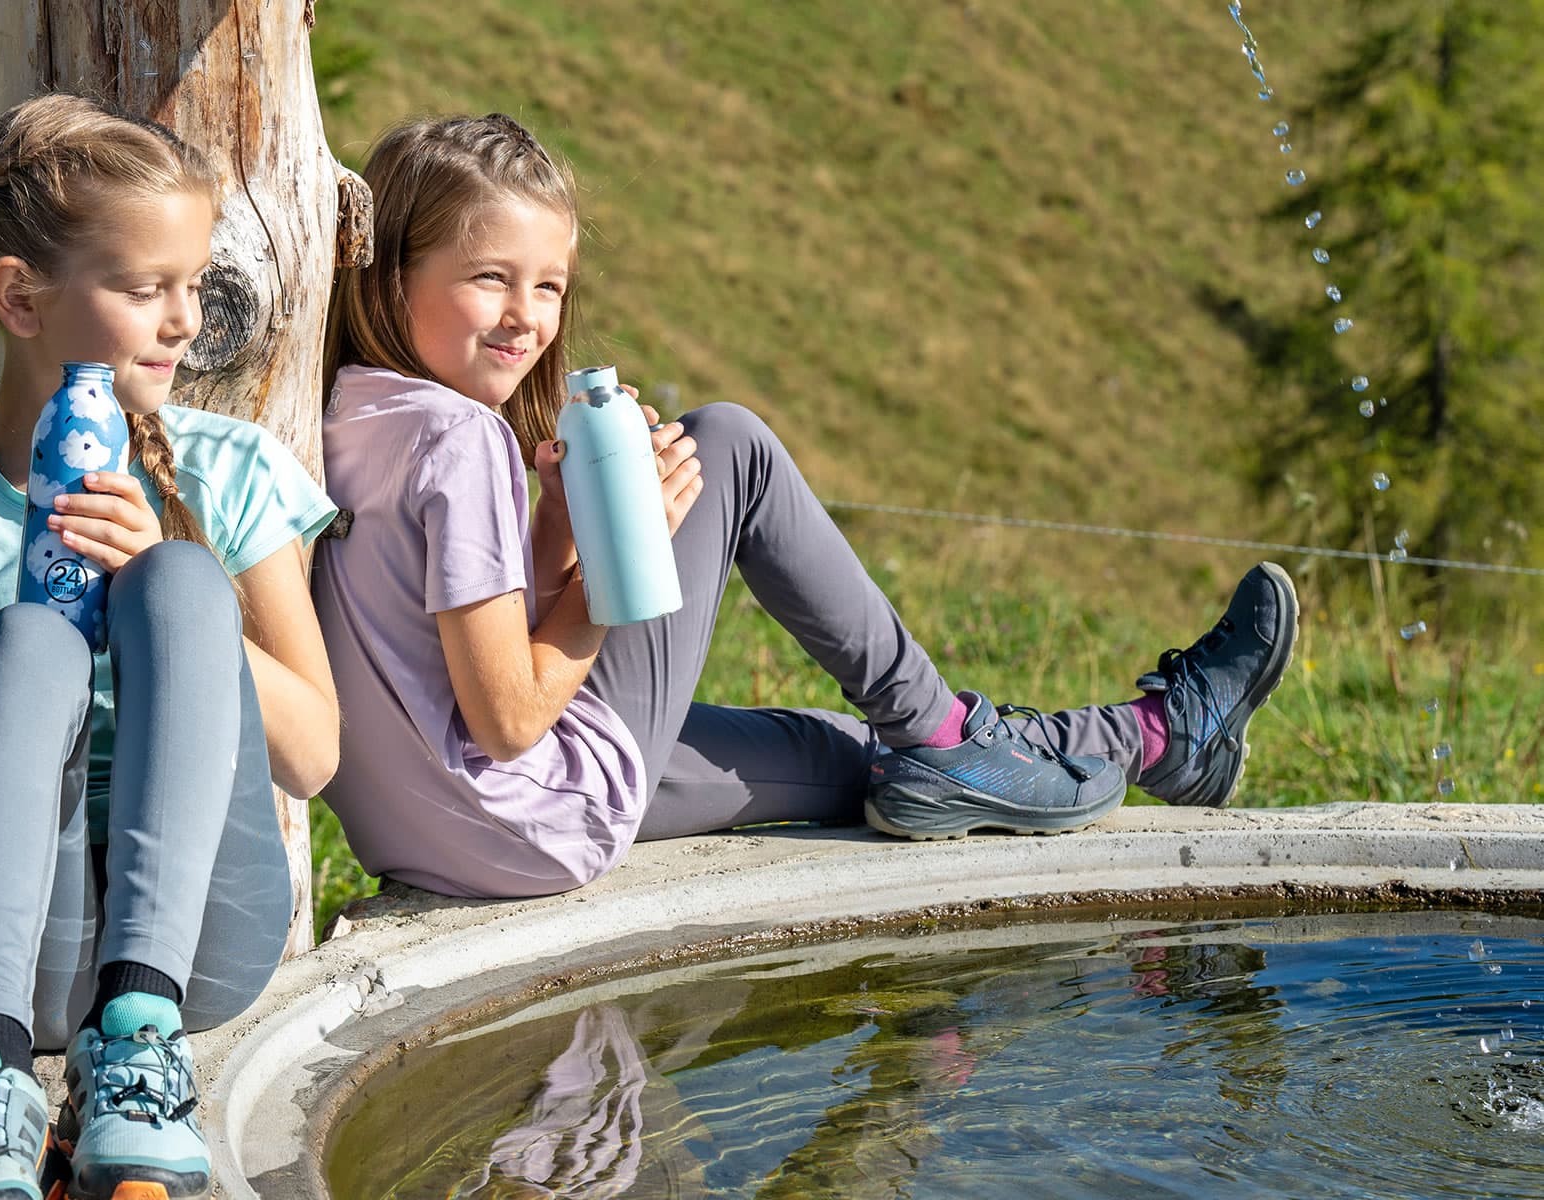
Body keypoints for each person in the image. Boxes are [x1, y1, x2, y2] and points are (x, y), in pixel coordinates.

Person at [312, 112, 1297, 899]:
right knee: (729, 441)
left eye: (549, 285)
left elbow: (458, 663)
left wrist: (562, 532)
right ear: (393, 272)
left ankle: (1150, 740)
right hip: (531, 810)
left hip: (440, 826)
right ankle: (957, 735)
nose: (527, 315)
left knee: (849, 759)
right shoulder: (460, 439)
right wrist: (616, 567)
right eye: (489, 278)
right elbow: (509, 719)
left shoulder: (352, 408)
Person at [0, 94, 341, 1200]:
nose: (185, 320)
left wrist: (161, 573)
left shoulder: (229, 477)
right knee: (27, 648)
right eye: (145, 289)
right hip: (4, 957)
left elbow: (311, 756)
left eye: (193, 284)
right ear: (19, 296)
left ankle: (139, 1044)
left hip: (203, 935)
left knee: (184, 581)